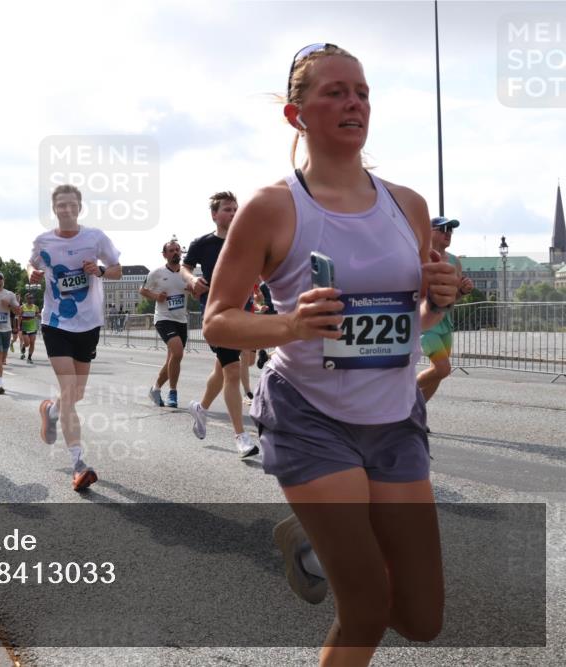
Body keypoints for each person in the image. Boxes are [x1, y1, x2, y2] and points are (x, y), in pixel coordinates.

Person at [202, 44, 458, 665]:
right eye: (336, 92)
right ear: (297, 115)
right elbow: (218, 320)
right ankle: (331, 545)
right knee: (366, 607)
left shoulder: (410, 205)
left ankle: (313, 546)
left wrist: (439, 302)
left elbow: (410, 319)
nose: (354, 103)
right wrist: (291, 324)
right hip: (309, 417)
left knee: (421, 619)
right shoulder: (272, 207)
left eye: (363, 92)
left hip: (395, 421)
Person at [29, 184, 122, 492]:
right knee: (69, 389)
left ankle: (50, 411)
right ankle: (78, 463)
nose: (66, 209)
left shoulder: (95, 238)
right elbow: (32, 262)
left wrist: (99, 269)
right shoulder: (44, 241)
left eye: (71, 205)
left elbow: (118, 270)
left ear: (79, 208)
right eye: (60, 205)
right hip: (55, 322)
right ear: (54, 209)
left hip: (89, 324)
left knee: (75, 395)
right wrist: (32, 272)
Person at [182, 191, 260, 457]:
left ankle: (201, 407)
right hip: (216, 314)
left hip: (242, 311)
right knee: (233, 371)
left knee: (224, 368)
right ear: (214, 215)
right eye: (228, 209)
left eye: (236, 209)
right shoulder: (202, 243)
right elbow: (185, 267)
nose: (233, 213)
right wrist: (192, 280)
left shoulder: (247, 241)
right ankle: (241, 436)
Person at [417, 216, 473, 403]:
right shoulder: (419, 256)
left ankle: (415, 414)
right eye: (443, 229)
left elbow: (452, 298)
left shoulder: (455, 262)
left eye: (450, 230)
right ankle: (400, 395)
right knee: (442, 369)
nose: (448, 233)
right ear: (429, 231)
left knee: (439, 374)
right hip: (425, 325)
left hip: (445, 324)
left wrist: (462, 291)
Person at [141, 239, 192, 408]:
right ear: (165, 255)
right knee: (177, 353)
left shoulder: (187, 274)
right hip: (163, 319)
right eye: (171, 250)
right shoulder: (156, 273)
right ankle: (173, 392)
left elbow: (197, 294)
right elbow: (143, 290)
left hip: (181, 319)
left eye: (178, 250)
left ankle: (155, 389)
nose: (176, 252)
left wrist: (194, 290)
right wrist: (157, 297)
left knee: (173, 359)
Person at [19, 291, 39, 363]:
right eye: (29, 298)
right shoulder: (22, 307)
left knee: (32, 342)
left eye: (32, 298)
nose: (31, 299)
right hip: (25, 327)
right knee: (27, 343)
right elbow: (19, 317)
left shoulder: (36, 307)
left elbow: (37, 315)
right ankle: (24, 346)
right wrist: (18, 326)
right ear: (26, 299)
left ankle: (29, 358)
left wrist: (39, 316)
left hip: (33, 327)